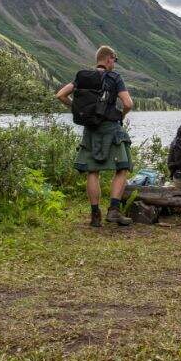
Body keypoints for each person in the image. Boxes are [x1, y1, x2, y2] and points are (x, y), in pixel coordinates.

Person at [56, 45, 134, 227]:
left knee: (93, 171)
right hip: (111, 128)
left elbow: (60, 95)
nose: (114, 63)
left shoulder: (83, 77)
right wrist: (120, 115)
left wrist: (78, 109)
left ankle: (95, 215)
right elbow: (128, 103)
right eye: (114, 60)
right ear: (108, 59)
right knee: (122, 168)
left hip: (90, 129)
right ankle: (113, 210)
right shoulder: (114, 77)